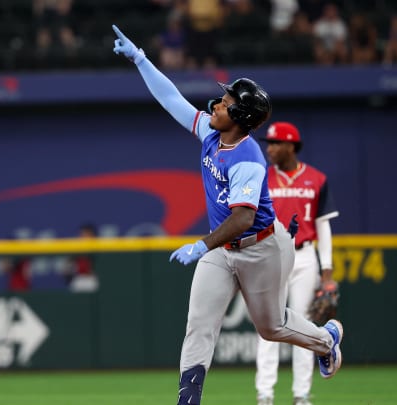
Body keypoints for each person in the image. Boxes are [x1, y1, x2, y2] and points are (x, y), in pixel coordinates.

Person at [111, 24, 343, 405]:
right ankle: (188, 399)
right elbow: (172, 100)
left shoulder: (248, 158)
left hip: (262, 247)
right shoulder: (212, 134)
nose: (216, 104)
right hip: (223, 248)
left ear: (240, 114)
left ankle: (325, 339)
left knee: (272, 327)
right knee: (199, 325)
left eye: (226, 101)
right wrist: (141, 59)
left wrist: (200, 245)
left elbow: (244, 219)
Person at [256, 122, 339, 405]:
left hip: (304, 256)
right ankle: (265, 394)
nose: (270, 149)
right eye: (269, 143)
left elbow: (323, 227)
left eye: (276, 143)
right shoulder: (261, 178)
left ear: (291, 146)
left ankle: (301, 394)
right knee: (267, 325)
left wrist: (327, 273)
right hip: (270, 256)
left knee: (303, 325)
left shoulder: (316, 179)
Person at [66, 223, 100, 293]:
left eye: (87, 234)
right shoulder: (76, 250)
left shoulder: (99, 248)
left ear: (93, 235)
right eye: (83, 234)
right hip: (79, 279)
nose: (85, 236)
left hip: (93, 279)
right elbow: (67, 269)